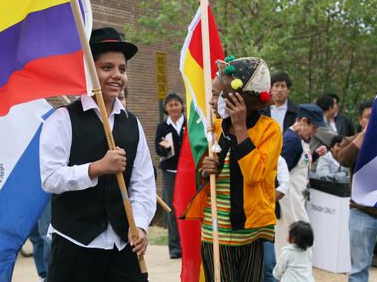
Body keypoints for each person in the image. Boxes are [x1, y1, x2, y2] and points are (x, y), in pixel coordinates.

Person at [40, 27, 156, 282]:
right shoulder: (62, 120)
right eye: (107, 68)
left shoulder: (132, 123)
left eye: (122, 69)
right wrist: (96, 168)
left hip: (123, 247)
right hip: (74, 247)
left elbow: (143, 183)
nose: (117, 76)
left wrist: (140, 225)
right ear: (90, 71)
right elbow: (50, 177)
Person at [191, 56, 282, 281]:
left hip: (249, 234)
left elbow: (254, 176)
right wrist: (205, 171)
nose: (213, 101)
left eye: (219, 94)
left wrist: (240, 128)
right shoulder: (214, 128)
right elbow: (203, 181)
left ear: (238, 99)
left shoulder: (269, 130)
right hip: (215, 234)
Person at [334, 100, 377, 282]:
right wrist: (363, 136)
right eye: (368, 117)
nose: (373, 121)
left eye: (376, 117)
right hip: (361, 212)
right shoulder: (352, 139)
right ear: (360, 119)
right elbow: (343, 159)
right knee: (359, 270)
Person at [275, 104, 326, 254]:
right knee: (299, 239)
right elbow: (280, 172)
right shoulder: (292, 141)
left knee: (293, 239)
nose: (315, 132)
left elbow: (298, 165)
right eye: (314, 128)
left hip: (296, 197)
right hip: (288, 200)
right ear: (304, 121)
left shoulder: (299, 139)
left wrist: (315, 155)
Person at [154, 92, 185, 259]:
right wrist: (164, 148)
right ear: (166, 108)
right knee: (172, 209)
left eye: (176, 104)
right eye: (170, 105)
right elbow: (158, 149)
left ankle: (189, 244)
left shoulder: (188, 123)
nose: (174, 107)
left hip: (187, 171)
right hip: (170, 172)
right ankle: (175, 247)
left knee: (188, 207)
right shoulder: (163, 127)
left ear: (182, 106)